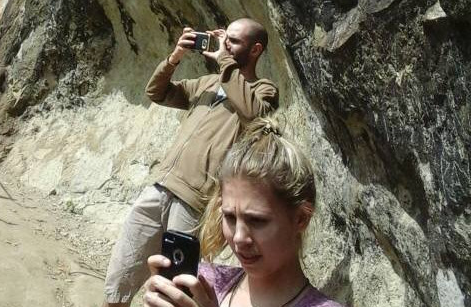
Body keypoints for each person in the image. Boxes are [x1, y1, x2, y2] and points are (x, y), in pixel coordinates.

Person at [103, 19, 278, 307]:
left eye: (234, 41)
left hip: (195, 202)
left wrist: (223, 59)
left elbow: (255, 114)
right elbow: (156, 93)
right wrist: (174, 58)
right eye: (226, 38)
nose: (226, 44)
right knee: (119, 278)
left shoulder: (263, 90)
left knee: (172, 289)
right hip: (160, 188)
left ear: (256, 49)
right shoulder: (206, 83)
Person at [142, 118, 347, 307]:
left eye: (257, 220)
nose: (239, 238)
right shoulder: (204, 284)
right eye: (230, 217)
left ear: (301, 218)